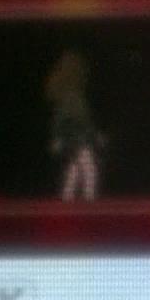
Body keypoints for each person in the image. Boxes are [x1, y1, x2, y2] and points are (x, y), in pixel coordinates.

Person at [45, 50, 106, 202]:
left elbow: (72, 122)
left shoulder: (73, 97)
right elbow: (74, 122)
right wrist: (59, 138)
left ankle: (67, 196)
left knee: (75, 168)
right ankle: (88, 198)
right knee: (89, 168)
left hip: (75, 139)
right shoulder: (72, 99)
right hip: (77, 140)